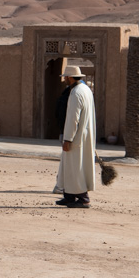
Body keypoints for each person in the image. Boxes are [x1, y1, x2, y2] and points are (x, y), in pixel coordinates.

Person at [55, 65, 96, 208]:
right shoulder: (85, 90)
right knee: (70, 166)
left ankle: (83, 199)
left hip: (76, 137)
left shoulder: (76, 93)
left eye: (66, 77)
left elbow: (73, 118)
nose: (65, 79)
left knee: (76, 167)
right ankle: (69, 196)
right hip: (83, 135)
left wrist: (68, 139)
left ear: (70, 77)